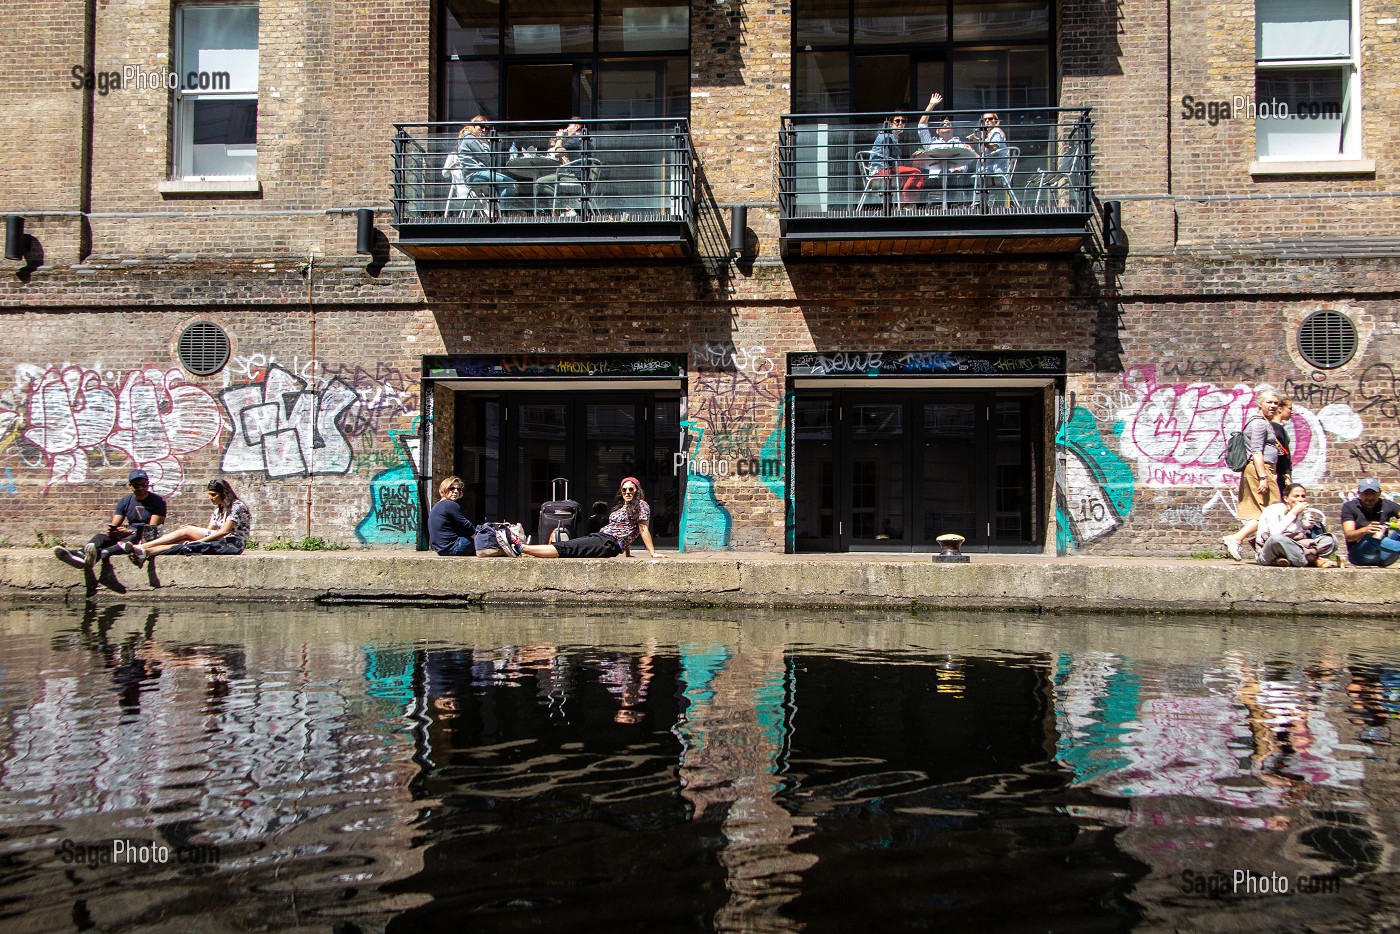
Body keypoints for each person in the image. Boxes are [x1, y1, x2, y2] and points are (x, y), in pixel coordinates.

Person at [521, 477, 662, 559]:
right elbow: (625, 530)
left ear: (637, 490)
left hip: (609, 543)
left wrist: (653, 553)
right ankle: (523, 548)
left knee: (569, 548)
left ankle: (522, 548)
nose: (627, 492)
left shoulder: (642, 505)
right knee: (571, 545)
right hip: (601, 536)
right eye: (624, 490)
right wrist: (627, 553)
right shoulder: (621, 507)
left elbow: (642, 529)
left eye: (631, 489)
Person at [53, 468, 167, 569]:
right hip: (128, 536)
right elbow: (115, 524)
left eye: (144, 484)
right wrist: (114, 531)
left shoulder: (158, 501)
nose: (141, 488)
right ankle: (80, 554)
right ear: (130, 486)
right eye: (137, 485)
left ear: (148, 484)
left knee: (121, 543)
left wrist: (131, 531)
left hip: (146, 537)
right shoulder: (125, 501)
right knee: (100, 538)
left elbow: (152, 529)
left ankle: (92, 557)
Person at [123, 478, 251, 565]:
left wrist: (198, 539)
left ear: (224, 494)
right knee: (184, 540)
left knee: (188, 533)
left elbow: (225, 531)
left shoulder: (237, 506)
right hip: (221, 540)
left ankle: (143, 546)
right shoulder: (219, 510)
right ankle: (147, 552)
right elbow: (210, 531)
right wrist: (193, 533)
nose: (210, 498)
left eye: (213, 494)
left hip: (233, 543)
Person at [1222, 390, 1281, 561]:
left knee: (1263, 512)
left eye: (1276, 403)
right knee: (1274, 511)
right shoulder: (1259, 424)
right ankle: (1237, 538)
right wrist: (1263, 477)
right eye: (1269, 402)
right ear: (1259, 403)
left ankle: (1259, 547)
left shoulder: (1262, 422)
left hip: (1261, 469)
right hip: (1259, 470)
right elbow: (1256, 451)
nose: (1273, 406)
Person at [1254, 484, 1336, 568]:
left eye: (1303, 496)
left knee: (1330, 539)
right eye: (1296, 496)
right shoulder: (1273, 510)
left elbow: (1301, 540)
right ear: (1286, 499)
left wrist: (1306, 528)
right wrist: (1293, 513)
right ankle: (1312, 559)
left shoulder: (1303, 513)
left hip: (1295, 548)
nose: (1300, 499)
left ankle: (1290, 559)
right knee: (1276, 539)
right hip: (1270, 551)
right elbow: (1275, 533)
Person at [446, 116, 515, 211]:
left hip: (476, 174)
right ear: (473, 125)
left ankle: (497, 210)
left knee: (506, 184)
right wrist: (485, 142)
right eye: (481, 126)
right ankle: (500, 211)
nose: (483, 130)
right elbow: (487, 157)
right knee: (510, 183)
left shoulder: (470, 138)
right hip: (475, 174)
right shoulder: (470, 138)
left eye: (486, 128)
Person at [1341, 478, 1400, 568]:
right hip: (1360, 556)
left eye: (1373, 493)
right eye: (1366, 494)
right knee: (1372, 537)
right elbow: (1349, 536)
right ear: (1359, 493)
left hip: (1384, 557)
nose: (1370, 497)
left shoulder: (1387, 504)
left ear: (1379, 493)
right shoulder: (1350, 507)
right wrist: (1365, 530)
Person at [538, 117, 590, 217]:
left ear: (576, 127)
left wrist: (560, 138)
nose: (566, 129)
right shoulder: (583, 139)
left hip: (576, 176)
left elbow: (557, 152)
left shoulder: (575, 139)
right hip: (580, 175)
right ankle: (564, 208)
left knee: (540, 182)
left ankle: (565, 207)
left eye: (569, 126)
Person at [870, 112, 924, 204]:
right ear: (891, 123)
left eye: (903, 121)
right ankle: (906, 202)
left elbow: (894, 160)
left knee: (920, 176)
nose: (900, 123)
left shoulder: (894, 137)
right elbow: (887, 159)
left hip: (888, 169)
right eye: (897, 121)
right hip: (881, 170)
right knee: (916, 172)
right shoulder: (887, 136)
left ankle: (912, 203)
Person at [428, 475, 477, 556]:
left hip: (441, 549)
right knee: (484, 542)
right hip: (453, 546)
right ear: (444, 489)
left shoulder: (437, 505)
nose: (455, 491)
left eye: (458, 489)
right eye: (452, 488)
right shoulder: (450, 504)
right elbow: (465, 524)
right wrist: (477, 538)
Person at [1271, 397, 1293, 498]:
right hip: (1280, 474)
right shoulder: (1277, 429)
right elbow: (1281, 454)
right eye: (1290, 408)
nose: (1292, 412)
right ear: (1280, 409)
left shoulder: (1277, 427)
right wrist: (1286, 473)